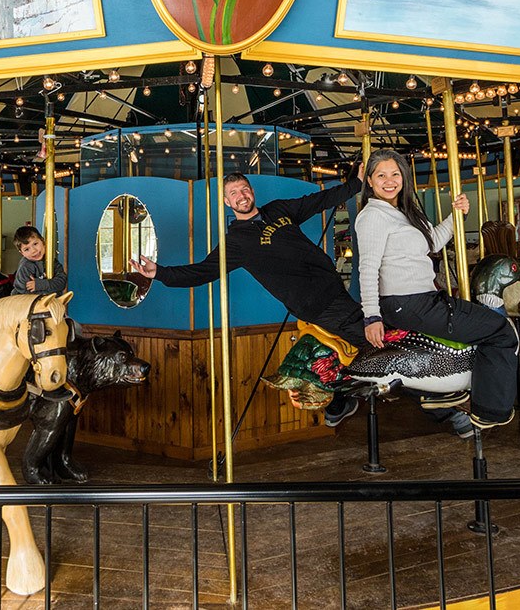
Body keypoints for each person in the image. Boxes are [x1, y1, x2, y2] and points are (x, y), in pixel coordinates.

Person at [133, 167, 367, 426]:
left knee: (356, 342)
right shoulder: (236, 242)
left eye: (244, 189)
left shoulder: (278, 210)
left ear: (252, 192)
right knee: (371, 340)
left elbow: (319, 201)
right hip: (317, 304)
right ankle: (350, 398)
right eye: (233, 193)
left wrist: (355, 184)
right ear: (226, 202)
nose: (241, 196)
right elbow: (201, 272)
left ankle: (337, 403)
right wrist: (160, 273)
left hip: (334, 289)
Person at [355, 149, 518, 429]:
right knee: (501, 330)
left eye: (395, 173)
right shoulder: (373, 216)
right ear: (369, 181)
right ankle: (490, 410)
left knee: (487, 324)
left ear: (404, 177)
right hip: (408, 302)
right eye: (381, 175)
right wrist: (372, 316)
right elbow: (367, 269)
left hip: (425, 298)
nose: (389, 180)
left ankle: (443, 393)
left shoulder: (403, 212)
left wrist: (456, 215)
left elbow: (432, 243)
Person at [11, 225, 68, 296]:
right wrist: (51, 287)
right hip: (26, 302)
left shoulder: (52, 261)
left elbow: (62, 283)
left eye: (35, 244)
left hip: (50, 300)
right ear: (22, 253)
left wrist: (41, 285)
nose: (33, 250)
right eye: (27, 249)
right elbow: (25, 292)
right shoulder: (25, 267)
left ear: (43, 241)